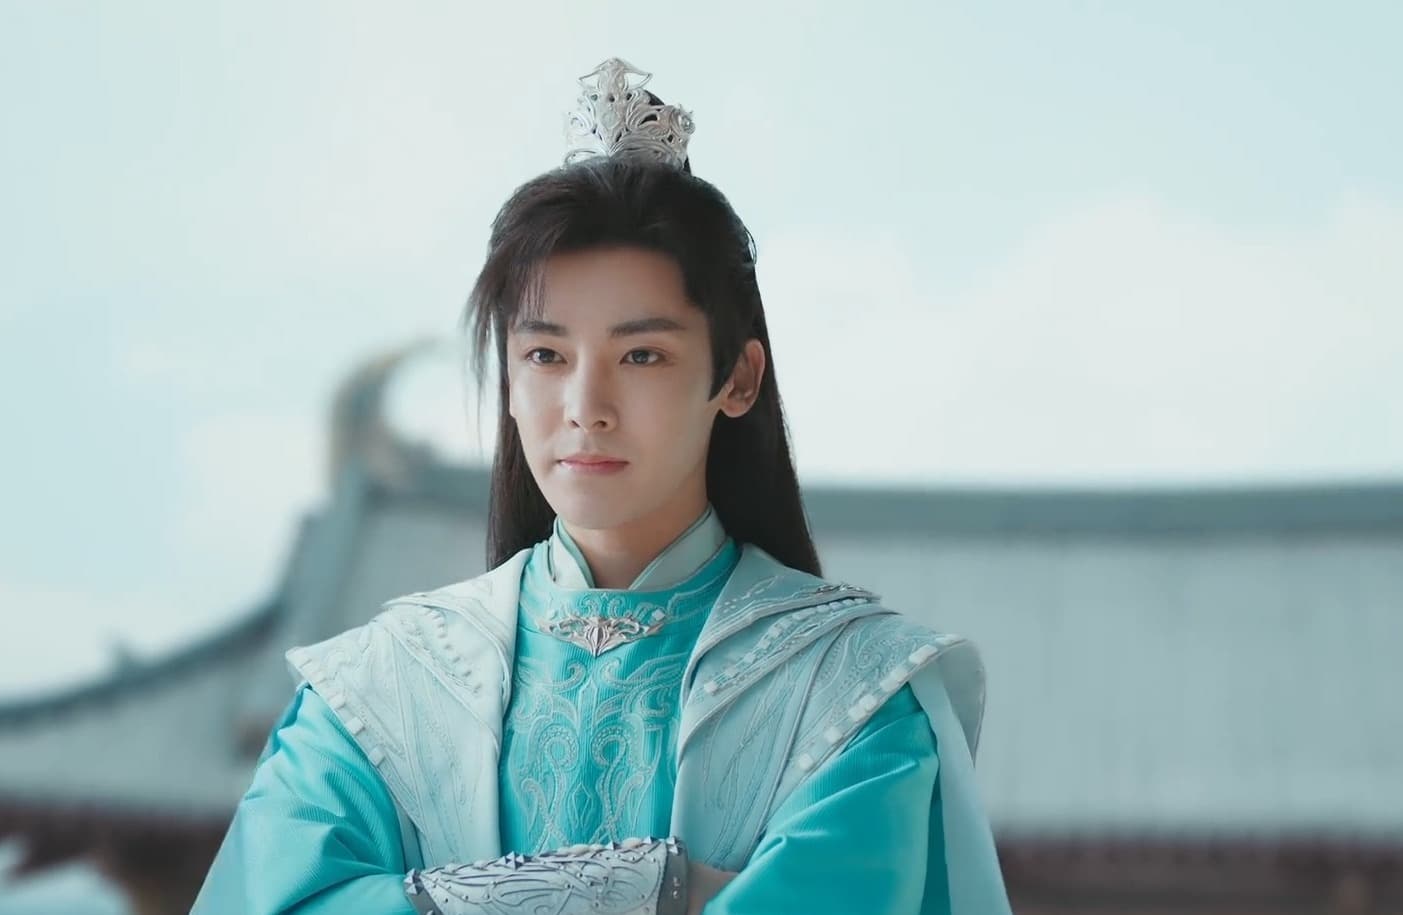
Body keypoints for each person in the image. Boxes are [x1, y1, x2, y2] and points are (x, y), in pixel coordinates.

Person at [192, 57, 1011, 915]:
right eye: (545, 354)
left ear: (737, 377)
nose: (586, 406)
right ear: (508, 379)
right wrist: (651, 886)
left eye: (642, 354)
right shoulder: (381, 687)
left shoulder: (852, 694)